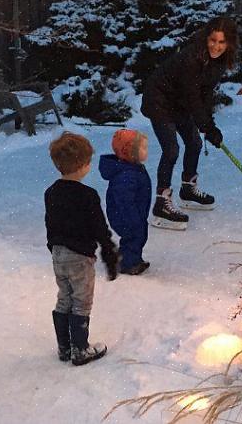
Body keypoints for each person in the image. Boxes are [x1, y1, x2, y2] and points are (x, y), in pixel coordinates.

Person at [140, 16, 239, 230]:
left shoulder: (218, 62)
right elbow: (193, 96)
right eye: (213, 40)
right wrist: (207, 127)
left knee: (194, 143)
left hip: (179, 101)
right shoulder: (192, 58)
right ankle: (161, 204)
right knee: (171, 149)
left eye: (222, 42)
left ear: (229, 43)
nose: (216, 46)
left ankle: (188, 189)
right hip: (160, 99)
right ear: (206, 38)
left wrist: (209, 125)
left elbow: (205, 94)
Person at [45, 132, 119, 366]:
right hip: (80, 255)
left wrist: (54, 247)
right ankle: (80, 349)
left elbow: (50, 223)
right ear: (82, 165)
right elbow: (99, 227)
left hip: (59, 254)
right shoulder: (87, 195)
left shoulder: (52, 192)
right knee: (81, 300)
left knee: (64, 297)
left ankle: (64, 347)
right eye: (88, 161)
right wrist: (108, 250)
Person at [98, 129, 152, 275]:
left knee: (138, 236)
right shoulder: (127, 175)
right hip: (126, 216)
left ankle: (133, 259)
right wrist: (133, 218)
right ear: (131, 152)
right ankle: (127, 264)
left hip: (135, 214)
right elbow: (124, 201)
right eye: (143, 148)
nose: (147, 151)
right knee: (133, 237)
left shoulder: (133, 169)